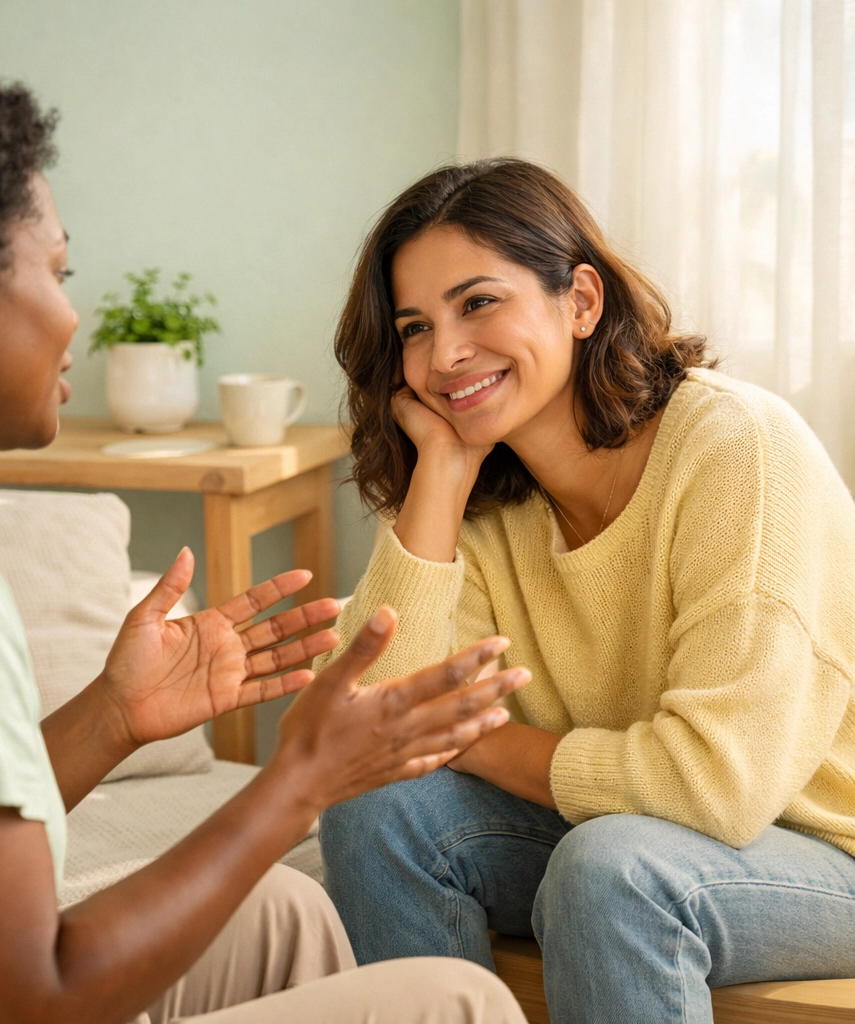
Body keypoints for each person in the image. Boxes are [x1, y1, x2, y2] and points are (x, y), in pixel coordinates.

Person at [0, 42, 531, 1024]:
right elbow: (17, 1002)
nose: (75, 317)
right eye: (58, 270)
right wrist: (298, 781)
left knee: (283, 911)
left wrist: (109, 718)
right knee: (455, 998)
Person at [315, 157, 855, 1024]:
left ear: (582, 302)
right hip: (622, 824)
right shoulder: (489, 498)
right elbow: (359, 735)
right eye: (415, 327)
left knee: (615, 872)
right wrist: (444, 475)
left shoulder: (737, 450)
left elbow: (717, 785)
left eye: (478, 302)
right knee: (376, 810)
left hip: (822, 850)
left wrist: (474, 743)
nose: (445, 354)